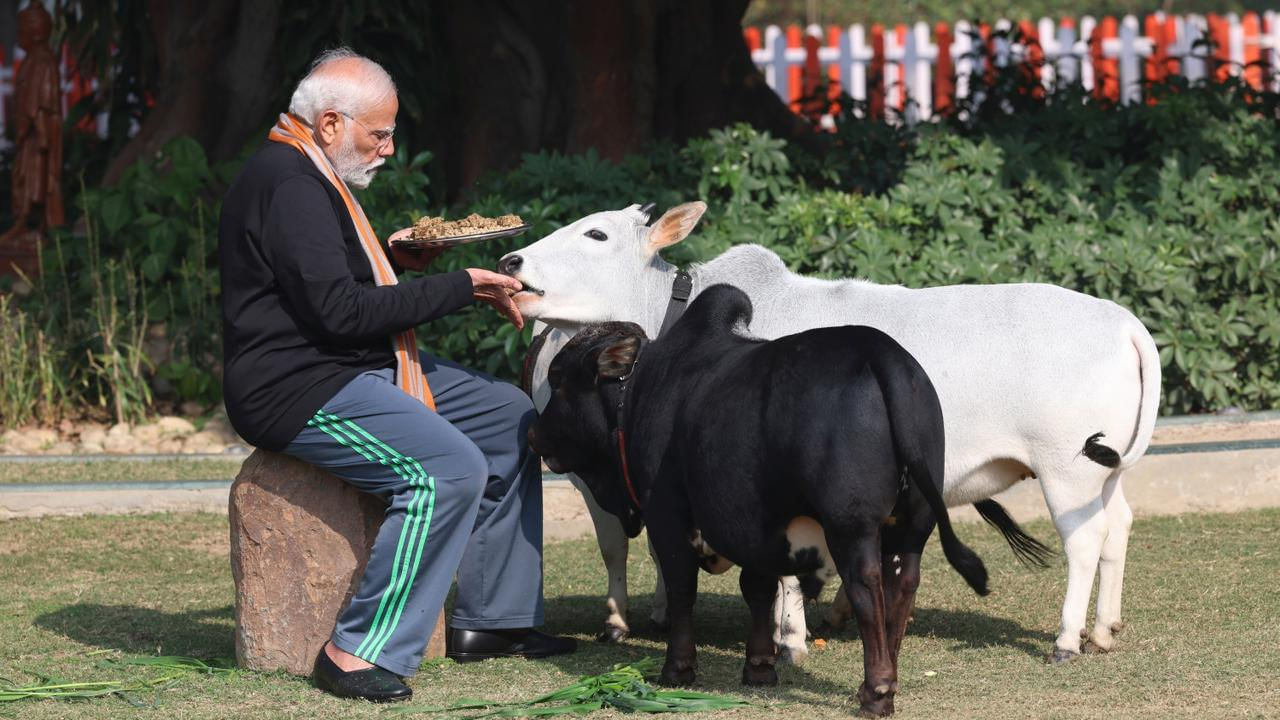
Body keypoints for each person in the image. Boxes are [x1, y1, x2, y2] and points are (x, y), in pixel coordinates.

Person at [218, 47, 575, 703]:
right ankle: (356, 650)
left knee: (507, 417)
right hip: (298, 388)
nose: (386, 147)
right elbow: (340, 311)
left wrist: (393, 257)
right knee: (446, 471)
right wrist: (459, 285)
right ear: (330, 124)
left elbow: (324, 280)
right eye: (377, 133)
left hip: (354, 361)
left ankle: (492, 621)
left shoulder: (306, 169)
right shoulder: (290, 182)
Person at [1, 1, 64, 246]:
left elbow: (41, 103)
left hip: (40, 134)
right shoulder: (32, 59)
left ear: (36, 34)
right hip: (30, 135)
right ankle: (29, 223)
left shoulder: (43, 61)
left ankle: (31, 223)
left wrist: (41, 133)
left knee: (36, 178)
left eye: (22, 33)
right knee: (25, 177)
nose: (18, 38)